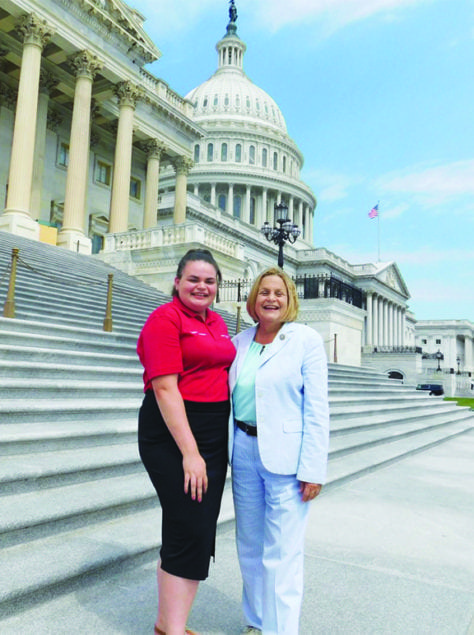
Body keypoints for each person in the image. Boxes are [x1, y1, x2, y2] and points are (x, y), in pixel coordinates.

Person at [137, 249, 236, 635]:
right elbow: (164, 388)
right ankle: (172, 630)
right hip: (173, 431)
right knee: (189, 525)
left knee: (197, 526)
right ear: (177, 282)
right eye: (193, 279)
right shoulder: (165, 318)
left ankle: (168, 624)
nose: (202, 286)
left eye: (209, 281)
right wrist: (190, 453)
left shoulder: (218, 322)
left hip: (212, 431)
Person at [228, 267, 330, 635]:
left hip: (287, 459)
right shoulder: (238, 342)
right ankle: (256, 622)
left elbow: (317, 408)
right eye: (264, 292)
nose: (271, 298)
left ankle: (280, 630)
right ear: (254, 299)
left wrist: (313, 469)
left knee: (283, 552)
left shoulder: (305, 340)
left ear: (289, 301)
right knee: (250, 546)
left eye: (279, 293)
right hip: (242, 449)